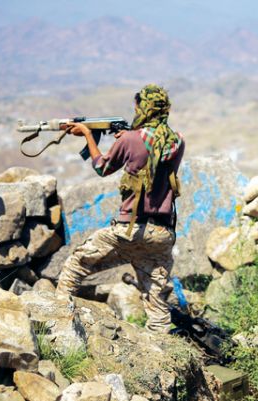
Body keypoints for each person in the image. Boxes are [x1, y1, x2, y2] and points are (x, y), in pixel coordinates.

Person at [56, 84, 184, 333]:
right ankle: (160, 345)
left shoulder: (129, 139)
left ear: (141, 108)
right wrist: (127, 137)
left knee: (76, 264)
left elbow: (102, 167)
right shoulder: (178, 141)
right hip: (162, 233)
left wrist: (87, 135)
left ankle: (57, 317)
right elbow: (149, 149)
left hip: (129, 230)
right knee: (156, 300)